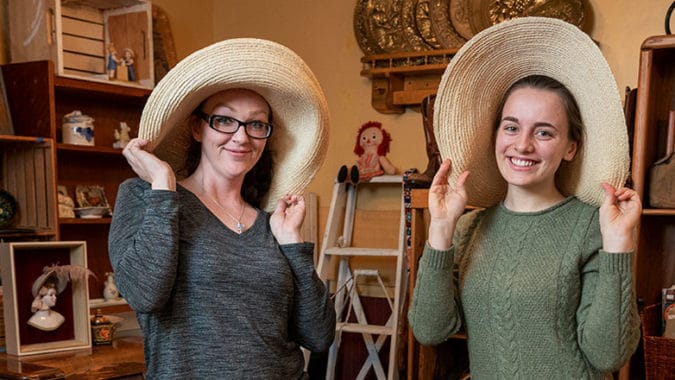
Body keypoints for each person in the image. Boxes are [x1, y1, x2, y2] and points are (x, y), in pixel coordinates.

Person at [407, 17, 641, 379]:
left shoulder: (592, 226)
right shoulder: (468, 228)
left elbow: (607, 355)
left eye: (544, 132)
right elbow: (430, 330)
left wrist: (619, 244)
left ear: (570, 148)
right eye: (512, 126)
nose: (522, 145)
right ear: (496, 134)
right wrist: (440, 230)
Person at [108, 38, 335, 379]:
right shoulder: (146, 197)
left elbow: (318, 336)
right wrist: (162, 182)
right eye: (225, 121)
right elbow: (145, 294)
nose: (242, 137)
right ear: (197, 127)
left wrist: (292, 245)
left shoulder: (272, 223)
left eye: (256, 124)